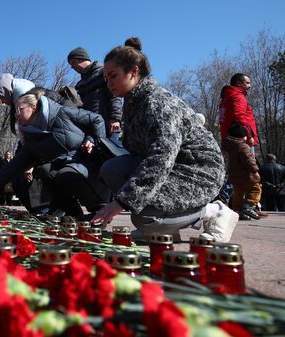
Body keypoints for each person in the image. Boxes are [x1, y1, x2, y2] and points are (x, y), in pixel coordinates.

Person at [93, 37, 238, 243]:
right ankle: (165, 226)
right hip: (174, 167)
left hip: (197, 170)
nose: (109, 84)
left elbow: (161, 157)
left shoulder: (157, 102)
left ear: (134, 71)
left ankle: (213, 212)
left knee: (144, 218)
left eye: (113, 76)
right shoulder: (133, 102)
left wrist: (121, 202)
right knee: (112, 169)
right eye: (106, 78)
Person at [0, 90, 107, 219]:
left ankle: (99, 210)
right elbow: (10, 169)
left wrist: (92, 140)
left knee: (66, 173)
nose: (16, 115)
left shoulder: (62, 113)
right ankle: (76, 216)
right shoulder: (32, 140)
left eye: (19, 110)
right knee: (45, 171)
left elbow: (96, 120)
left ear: (33, 107)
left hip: (89, 161)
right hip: (67, 168)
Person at [219, 73, 265, 217]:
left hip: (230, 138)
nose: (249, 86)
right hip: (240, 138)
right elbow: (240, 117)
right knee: (250, 177)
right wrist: (248, 135)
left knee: (238, 178)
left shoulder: (226, 97)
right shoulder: (237, 96)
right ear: (239, 83)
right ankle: (248, 206)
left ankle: (238, 208)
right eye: (247, 83)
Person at [67, 46, 123, 141]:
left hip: (110, 126)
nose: (72, 67)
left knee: (113, 154)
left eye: (73, 62)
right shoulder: (79, 85)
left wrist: (115, 119)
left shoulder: (103, 73)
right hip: (91, 130)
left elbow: (115, 96)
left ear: (82, 59)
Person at [222, 123, 262, 220]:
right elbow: (248, 160)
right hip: (245, 174)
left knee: (238, 192)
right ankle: (248, 206)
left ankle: (237, 210)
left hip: (234, 174)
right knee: (256, 188)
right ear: (241, 136)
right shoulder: (243, 146)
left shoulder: (229, 146)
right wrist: (254, 169)